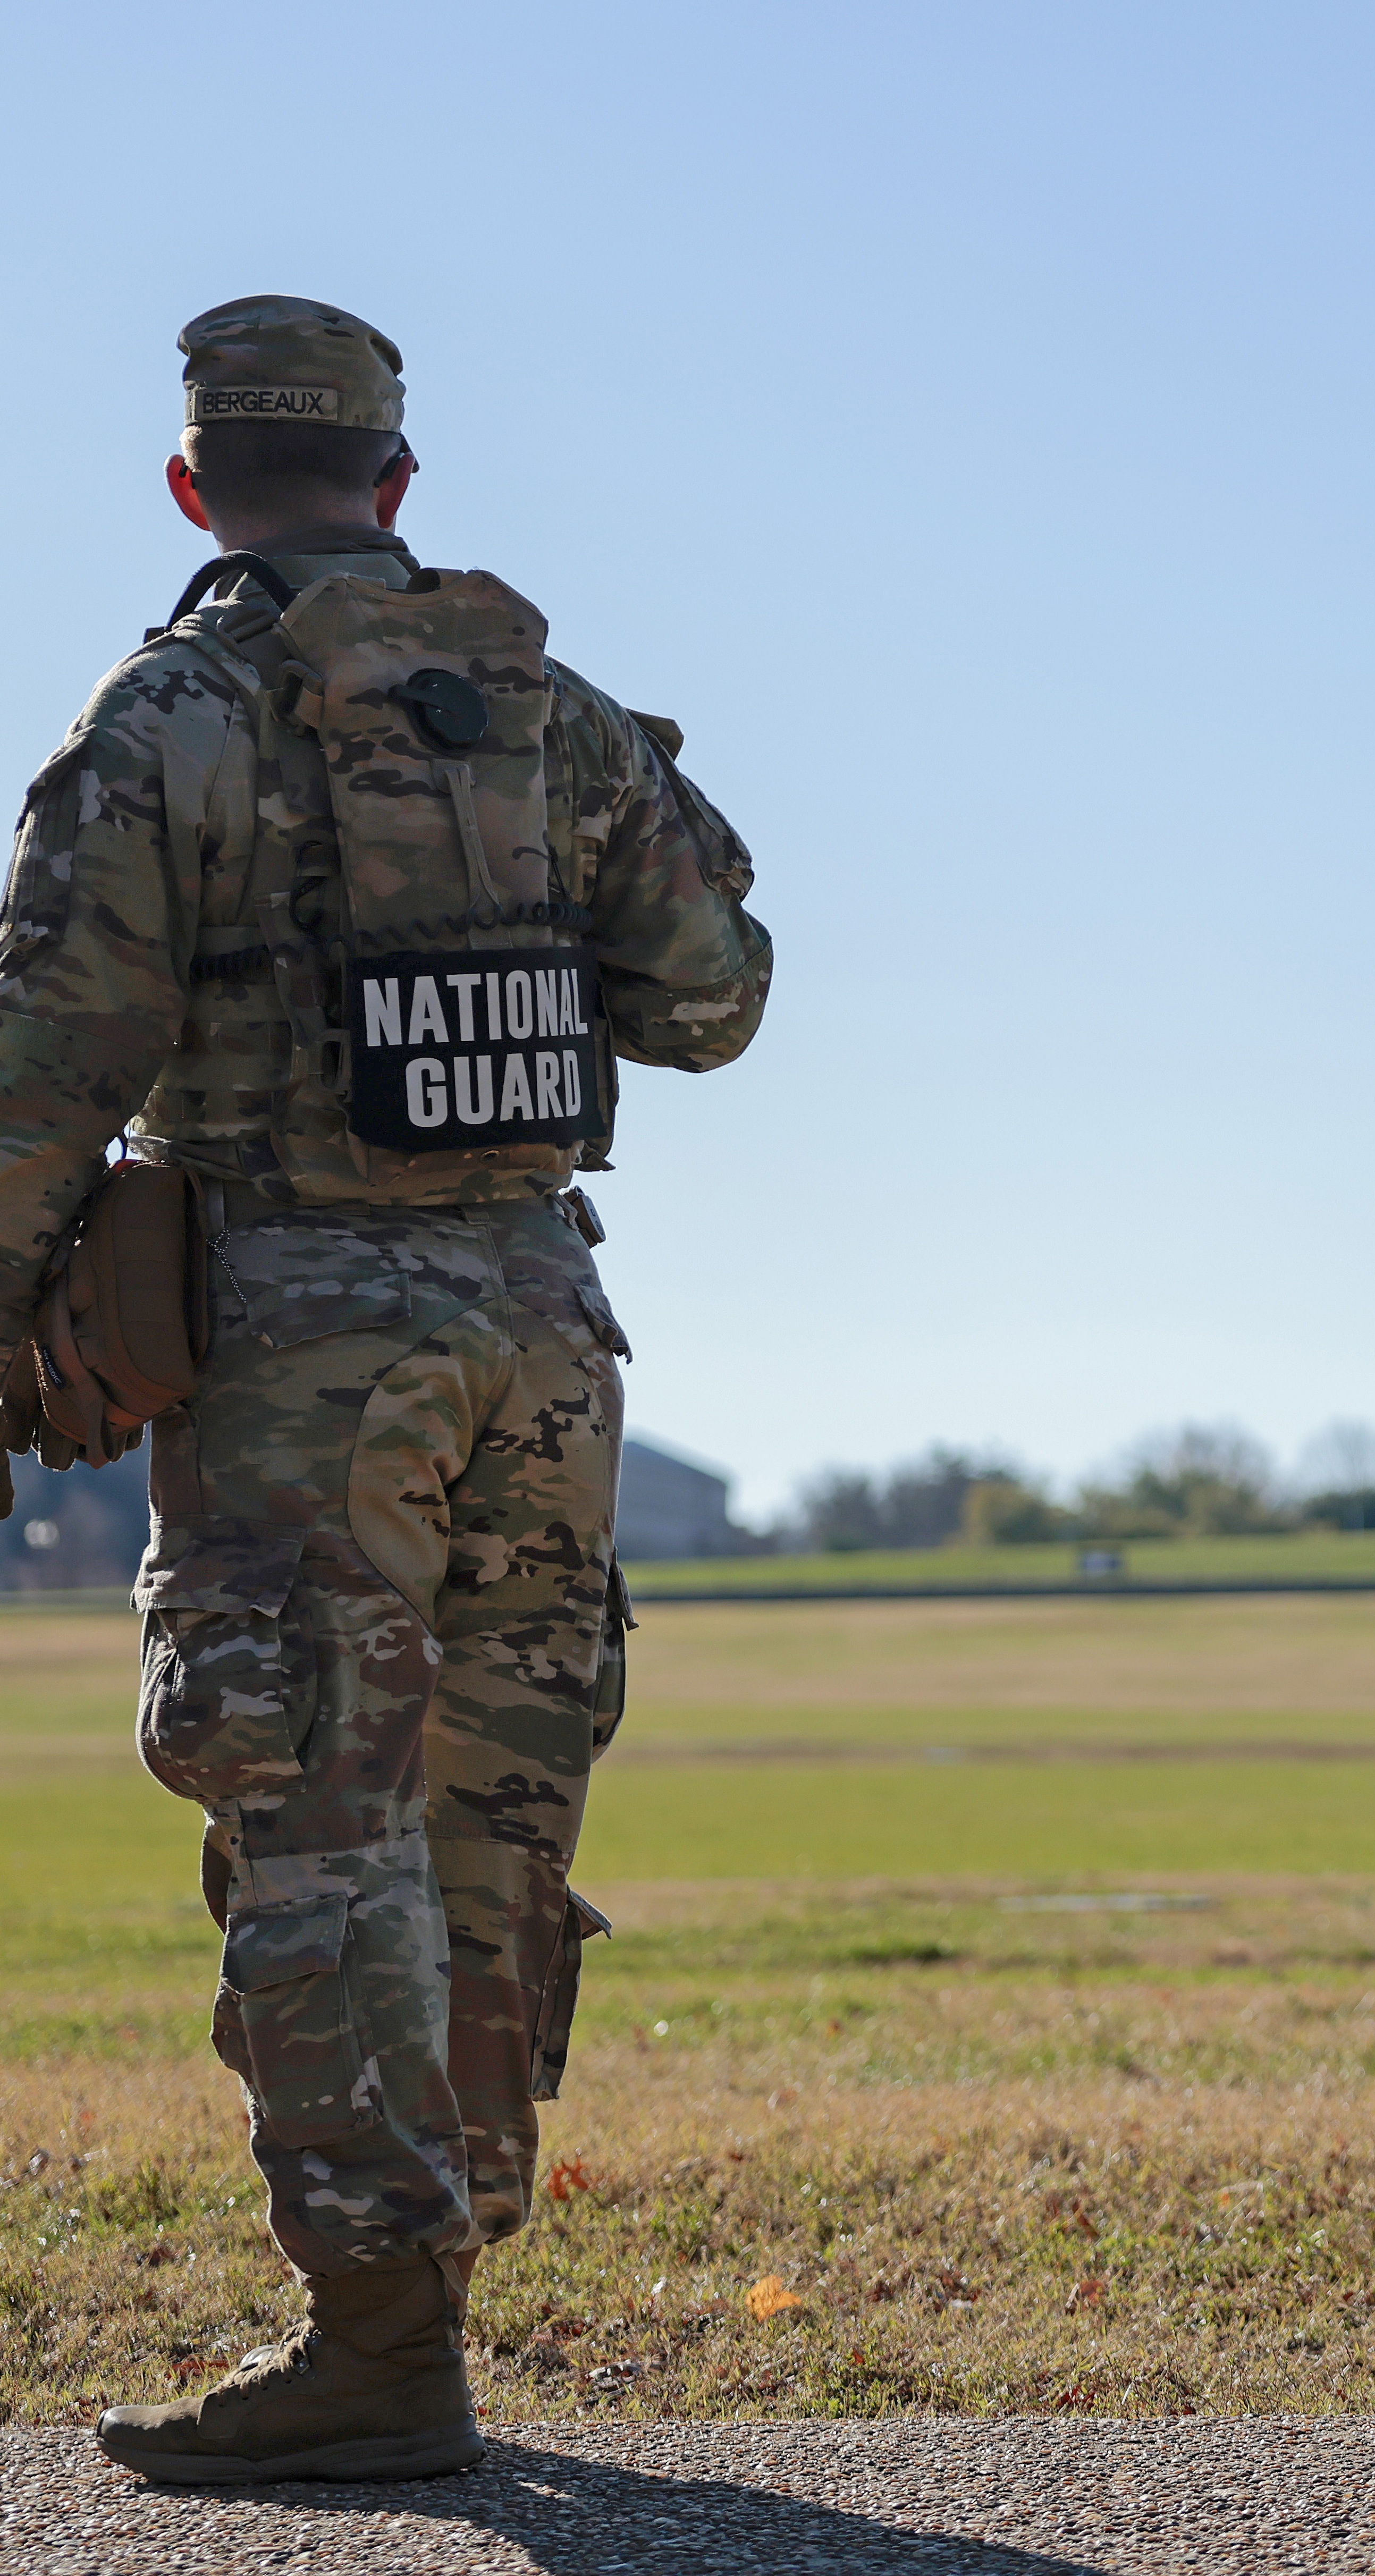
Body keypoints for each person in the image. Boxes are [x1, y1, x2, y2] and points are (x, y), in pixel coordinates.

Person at [0, 297, 772, 2485]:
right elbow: (714, 1001)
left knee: (316, 1816)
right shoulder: (554, 711)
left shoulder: (169, 717)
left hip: (296, 1343)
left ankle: (377, 2337)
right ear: (398, 481)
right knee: (492, 1814)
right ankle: (432, 2282)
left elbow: (44, 1073)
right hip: (544, 1320)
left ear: (189, 484)